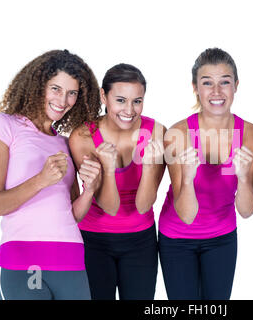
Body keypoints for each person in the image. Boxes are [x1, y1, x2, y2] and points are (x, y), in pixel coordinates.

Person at [0, 49, 102, 300]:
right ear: (38, 85)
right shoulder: (4, 125)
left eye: (72, 93)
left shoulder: (64, 143)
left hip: (70, 259)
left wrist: (90, 189)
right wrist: (40, 180)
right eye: (56, 88)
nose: (63, 100)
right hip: (24, 261)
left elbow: (72, 214)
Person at [158, 48, 253, 300]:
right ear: (195, 87)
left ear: (236, 86)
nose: (216, 92)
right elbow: (186, 215)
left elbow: (248, 211)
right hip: (177, 237)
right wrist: (187, 178)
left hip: (222, 238)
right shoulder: (178, 134)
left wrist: (242, 177)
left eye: (224, 82)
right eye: (207, 83)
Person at [69, 63, 166, 300]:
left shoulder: (157, 132)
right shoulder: (83, 136)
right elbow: (110, 207)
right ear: (104, 96)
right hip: (94, 240)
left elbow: (144, 205)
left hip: (141, 240)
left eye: (137, 101)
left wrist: (151, 165)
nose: (129, 110)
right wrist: (109, 170)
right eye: (120, 100)